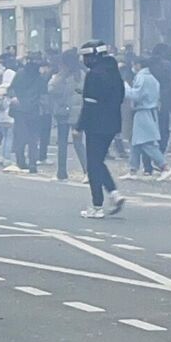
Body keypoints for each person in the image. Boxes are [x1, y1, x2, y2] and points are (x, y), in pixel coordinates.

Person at [76, 41, 126, 218]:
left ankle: (97, 205)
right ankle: (113, 193)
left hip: (95, 123)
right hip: (112, 122)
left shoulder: (93, 75)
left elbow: (89, 103)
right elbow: (121, 96)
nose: (84, 60)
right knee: (98, 161)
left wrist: (79, 126)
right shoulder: (114, 73)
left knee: (93, 163)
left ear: (93, 56)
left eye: (86, 56)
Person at [122, 55, 171, 180]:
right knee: (136, 141)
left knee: (146, 143)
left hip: (143, 111)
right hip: (150, 111)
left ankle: (165, 167)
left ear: (138, 65)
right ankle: (133, 169)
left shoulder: (141, 77)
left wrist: (125, 87)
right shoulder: (152, 78)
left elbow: (136, 95)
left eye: (134, 65)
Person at [47, 51, 82, 182]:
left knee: (62, 143)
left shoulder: (63, 76)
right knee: (79, 143)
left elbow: (52, 89)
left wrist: (55, 77)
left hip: (63, 111)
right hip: (78, 112)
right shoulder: (81, 74)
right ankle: (87, 171)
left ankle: (62, 172)